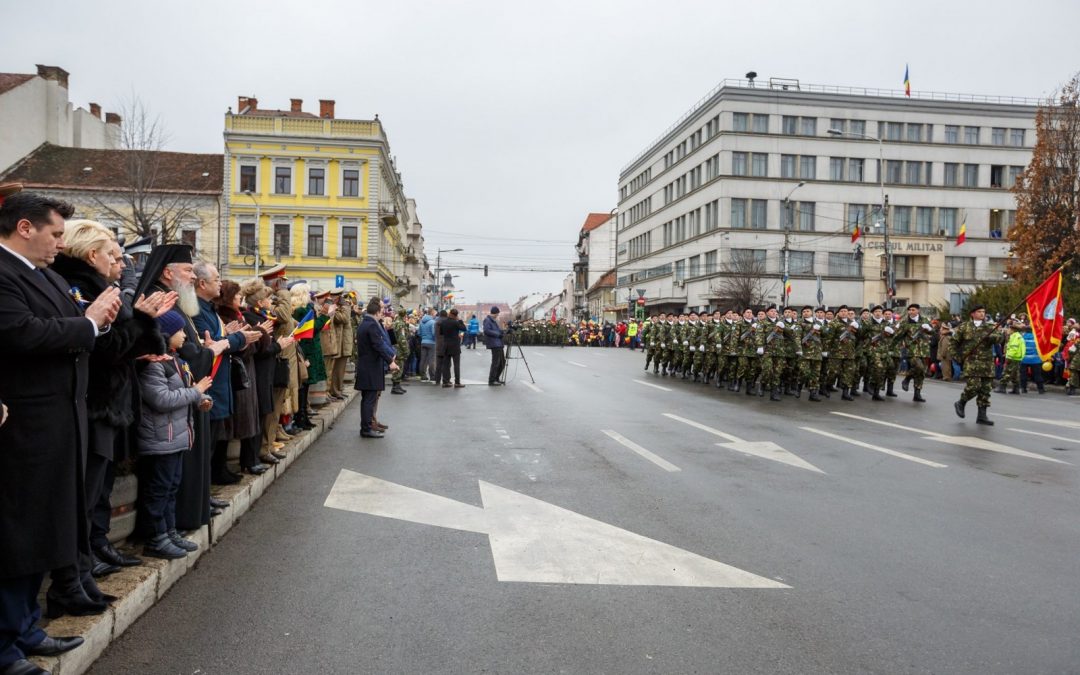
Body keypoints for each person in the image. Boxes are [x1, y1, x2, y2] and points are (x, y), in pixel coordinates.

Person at [0, 190, 122, 673]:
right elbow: (21, 333)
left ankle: (26, 625)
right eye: (53, 234)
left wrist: (99, 323)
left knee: (45, 525)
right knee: (20, 530)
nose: (59, 243)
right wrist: (88, 325)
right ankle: (5, 643)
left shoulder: (43, 274)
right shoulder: (4, 273)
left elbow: (70, 325)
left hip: (60, 419)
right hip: (24, 424)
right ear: (24, 228)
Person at [48, 220, 169, 604]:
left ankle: (81, 575)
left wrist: (142, 320)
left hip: (105, 403)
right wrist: (141, 319)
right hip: (93, 402)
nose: (121, 262)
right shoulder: (80, 287)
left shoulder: (96, 287)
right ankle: (72, 580)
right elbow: (106, 348)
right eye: (113, 255)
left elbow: (121, 345)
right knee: (82, 499)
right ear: (91, 255)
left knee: (94, 493)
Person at [134, 244, 230, 528]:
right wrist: (210, 352)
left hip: (187, 392)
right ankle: (167, 526)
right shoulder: (157, 298)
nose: (192, 276)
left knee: (175, 477)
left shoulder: (176, 298)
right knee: (165, 480)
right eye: (187, 270)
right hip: (171, 402)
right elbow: (176, 348)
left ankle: (187, 514)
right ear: (167, 272)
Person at [136, 310, 214, 560]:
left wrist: (201, 398)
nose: (184, 335)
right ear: (166, 335)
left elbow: (187, 390)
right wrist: (196, 392)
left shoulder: (176, 360)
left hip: (175, 437)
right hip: (160, 439)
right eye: (180, 331)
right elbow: (161, 399)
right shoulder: (154, 364)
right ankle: (156, 538)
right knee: (159, 490)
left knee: (171, 487)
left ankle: (169, 531)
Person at [191, 262, 259, 485]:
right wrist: (239, 339)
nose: (220, 282)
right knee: (206, 448)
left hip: (220, 383)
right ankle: (205, 494)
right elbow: (207, 344)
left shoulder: (208, 308)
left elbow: (217, 339)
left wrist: (228, 334)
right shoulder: (197, 310)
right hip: (210, 383)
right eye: (216, 279)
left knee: (215, 442)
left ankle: (208, 493)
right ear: (202, 284)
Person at [952, 305, 1005, 425]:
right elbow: (953, 343)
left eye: (983, 312)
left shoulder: (990, 327)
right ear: (972, 314)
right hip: (971, 362)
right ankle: (961, 402)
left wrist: (992, 337)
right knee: (974, 386)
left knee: (985, 390)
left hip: (987, 363)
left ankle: (982, 416)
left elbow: (1000, 338)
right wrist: (957, 357)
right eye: (979, 312)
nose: (982, 314)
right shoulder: (964, 327)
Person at [355, 296, 399, 438]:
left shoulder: (365, 323)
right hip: (371, 367)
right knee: (369, 399)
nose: (383, 313)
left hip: (366, 366)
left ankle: (366, 426)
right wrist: (390, 361)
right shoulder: (372, 325)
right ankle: (366, 429)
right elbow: (377, 345)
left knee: (367, 399)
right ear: (377, 311)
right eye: (381, 310)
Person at [896, 303, 931, 403]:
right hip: (912, 350)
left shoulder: (925, 320)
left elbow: (933, 332)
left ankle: (917, 394)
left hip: (924, 350)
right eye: (909, 310)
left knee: (921, 373)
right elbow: (899, 336)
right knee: (918, 367)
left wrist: (929, 329)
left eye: (913, 310)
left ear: (918, 311)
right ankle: (907, 379)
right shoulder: (905, 322)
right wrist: (893, 345)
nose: (911, 312)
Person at [438, 308, 467, 388]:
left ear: (450, 313)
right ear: (456, 315)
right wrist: (460, 320)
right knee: (456, 365)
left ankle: (445, 382)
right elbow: (464, 329)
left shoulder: (443, 322)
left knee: (446, 365)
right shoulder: (456, 323)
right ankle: (457, 382)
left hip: (446, 345)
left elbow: (441, 333)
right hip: (455, 346)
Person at [484, 306, 506, 385]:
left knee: (502, 362)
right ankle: (492, 380)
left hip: (498, 343)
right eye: (497, 314)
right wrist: (498, 334)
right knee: (496, 362)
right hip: (494, 344)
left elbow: (497, 330)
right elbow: (487, 331)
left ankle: (496, 378)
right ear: (495, 313)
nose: (498, 315)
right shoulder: (487, 320)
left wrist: (504, 331)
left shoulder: (493, 321)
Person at [418, 308, 436, 378]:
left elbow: (419, 333)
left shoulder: (421, 321)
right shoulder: (432, 322)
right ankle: (432, 376)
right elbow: (434, 333)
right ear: (432, 313)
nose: (435, 315)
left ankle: (423, 375)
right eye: (435, 313)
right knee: (431, 360)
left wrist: (424, 337)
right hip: (431, 343)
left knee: (423, 359)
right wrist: (435, 340)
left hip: (423, 342)